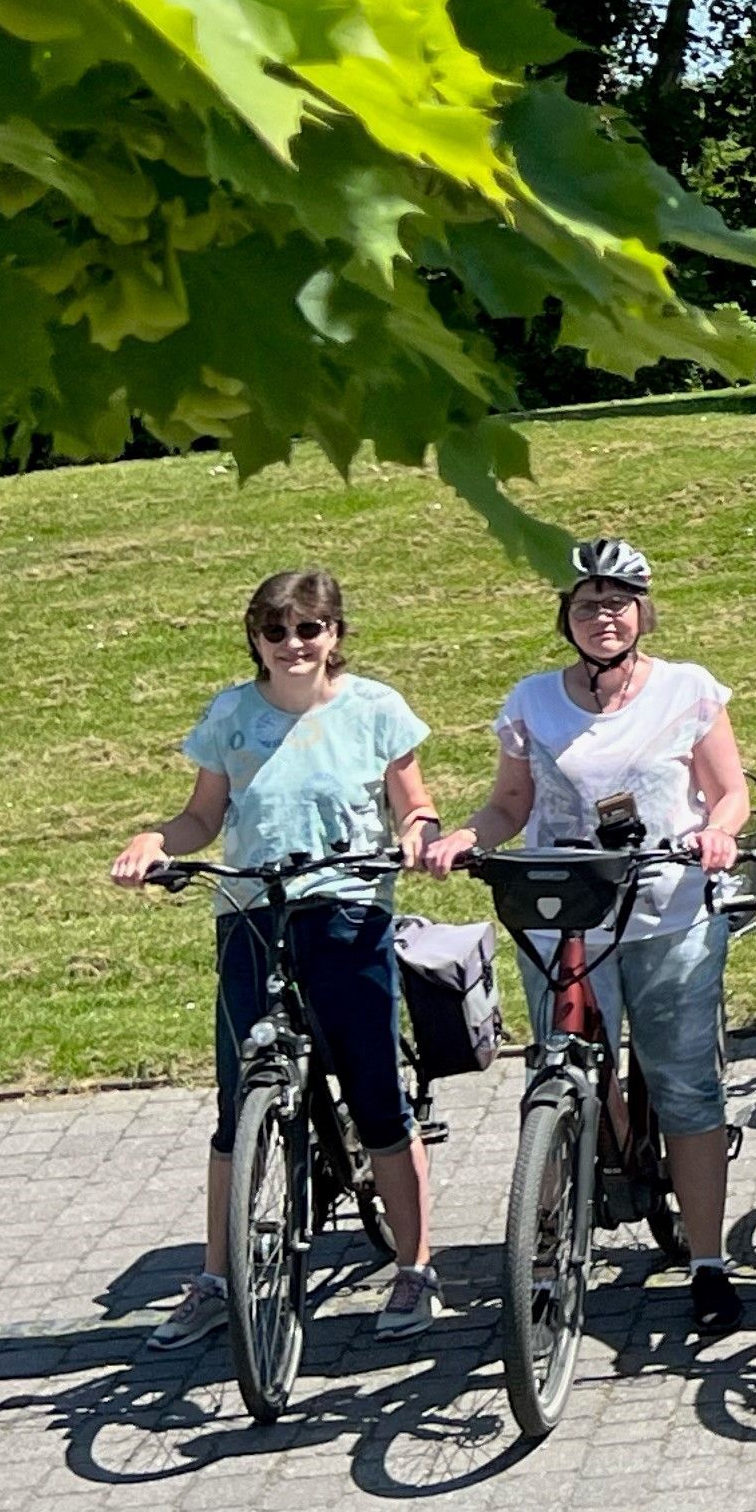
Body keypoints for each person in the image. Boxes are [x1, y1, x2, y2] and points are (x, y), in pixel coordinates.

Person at [420, 541, 755, 1338]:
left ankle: (707, 1262)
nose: (603, 617)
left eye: (618, 602)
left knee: (684, 1083)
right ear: (566, 619)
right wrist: (470, 835)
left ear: (643, 612)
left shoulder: (686, 690)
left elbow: (729, 790)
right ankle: (544, 1255)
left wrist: (718, 835)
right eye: (586, 605)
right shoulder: (534, 700)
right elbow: (510, 803)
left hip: (668, 910)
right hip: (564, 914)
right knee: (561, 1070)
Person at [113, 567, 444, 1350]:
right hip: (253, 913)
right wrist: (155, 841)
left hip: (347, 909)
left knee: (375, 1097)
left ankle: (415, 1266)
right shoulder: (232, 715)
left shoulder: (375, 709)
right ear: (255, 640)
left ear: (334, 635)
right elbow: (202, 815)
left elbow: (415, 803)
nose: (293, 646)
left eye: (309, 630)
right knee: (238, 1100)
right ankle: (217, 1279)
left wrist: (417, 835)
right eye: (276, 632)